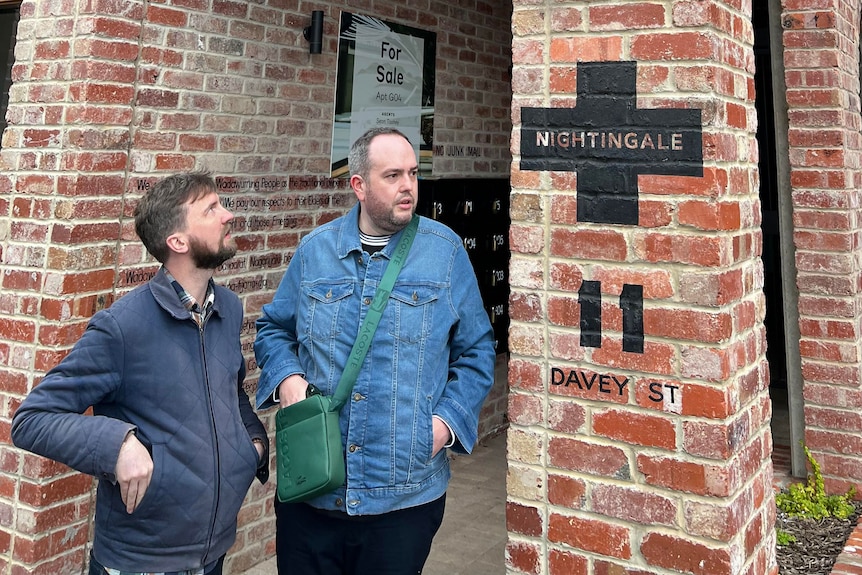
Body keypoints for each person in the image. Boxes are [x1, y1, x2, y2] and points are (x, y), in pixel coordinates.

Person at [254, 127, 496, 574]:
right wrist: (288, 380)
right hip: (313, 491)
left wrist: (443, 425)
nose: (408, 186)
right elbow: (273, 330)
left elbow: (477, 351)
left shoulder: (445, 253)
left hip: (403, 498)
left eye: (413, 173)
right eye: (392, 176)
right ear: (359, 186)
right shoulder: (315, 252)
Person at [11, 172, 269, 575]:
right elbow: (32, 420)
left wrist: (252, 443)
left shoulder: (228, 308)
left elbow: (231, 391)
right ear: (178, 242)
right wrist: (117, 443)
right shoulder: (122, 327)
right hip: (140, 562)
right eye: (212, 209)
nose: (228, 215)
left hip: (213, 553)